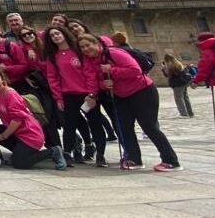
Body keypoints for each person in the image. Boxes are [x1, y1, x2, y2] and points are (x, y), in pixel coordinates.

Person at [77, 34, 181, 171]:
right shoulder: (90, 61)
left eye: (88, 45)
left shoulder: (114, 53)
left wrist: (111, 70)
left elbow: (135, 70)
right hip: (121, 95)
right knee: (124, 127)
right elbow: (99, 82)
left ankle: (171, 160)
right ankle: (134, 159)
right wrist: (103, 84)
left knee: (149, 126)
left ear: (96, 43)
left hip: (142, 91)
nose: (86, 49)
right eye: (82, 47)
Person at [43, 25, 105, 166]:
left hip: (86, 95)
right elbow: (52, 78)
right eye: (52, 35)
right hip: (68, 94)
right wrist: (58, 98)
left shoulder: (78, 51)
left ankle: (100, 154)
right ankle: (67, 153)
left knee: (95, 123)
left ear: (64, 33)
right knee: (69, 125)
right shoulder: (53, 57)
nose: (55, 37)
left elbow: (89, 73)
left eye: (57, 33)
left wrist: (92, 94)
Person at [0, 67, 66, 170]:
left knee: (19, 163)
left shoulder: (10, 94)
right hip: (16, 133)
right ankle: (11, 154)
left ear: (2, 79)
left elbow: (17, 120)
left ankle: (53, 151)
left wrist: (3, 136)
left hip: (30, 134)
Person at [162, 53, 194, 117]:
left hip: (177, 84)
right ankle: (190, 112)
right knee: (185, 97)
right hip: (183, 82)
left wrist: (164, 69)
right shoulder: (178, 63)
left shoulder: (170, 65)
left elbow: (169, 75)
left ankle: (184, 113)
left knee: (179, 99)